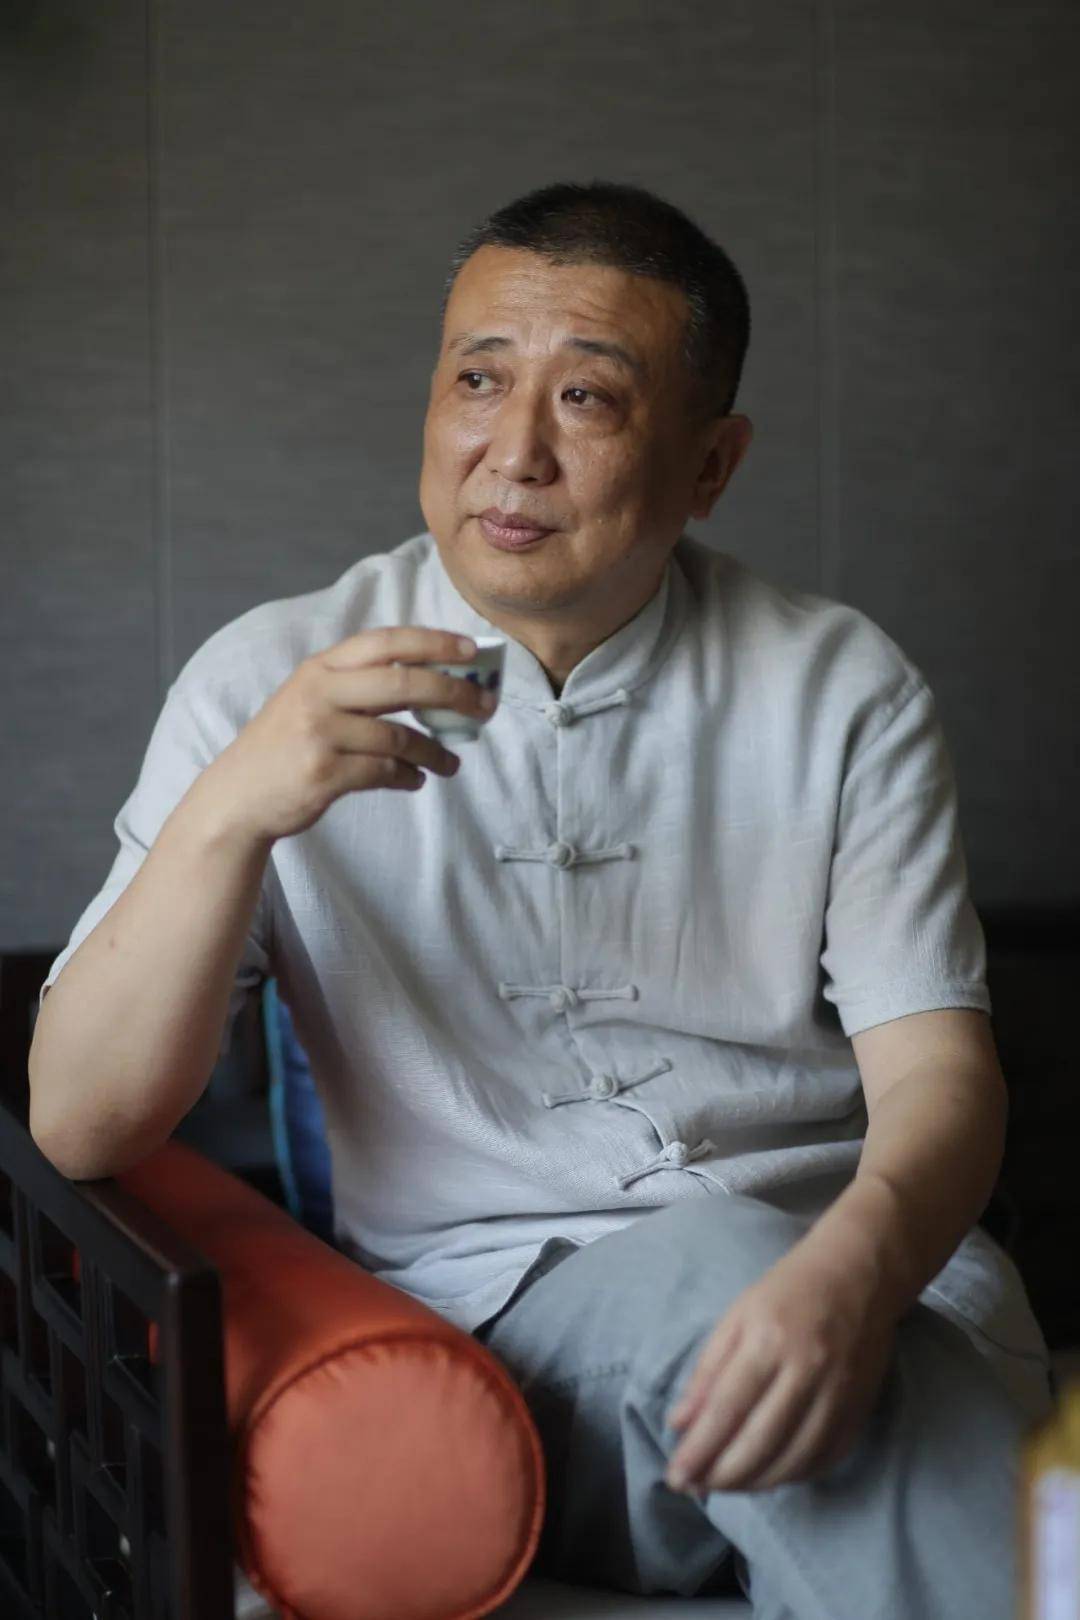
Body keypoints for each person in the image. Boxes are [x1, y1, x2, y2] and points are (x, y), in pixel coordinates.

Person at [29, 180, 1053, 1618]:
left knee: (897, 1381)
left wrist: (860, 1272)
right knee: (778, 1321)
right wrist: (232, 812)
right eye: (477, 380)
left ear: (711, 464)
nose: (512, 452)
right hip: (525, 1332)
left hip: (874, 1284)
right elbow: (80, 1123)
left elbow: (941, 1071)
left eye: (586, 398)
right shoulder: (266, 681)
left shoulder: (841, 685)